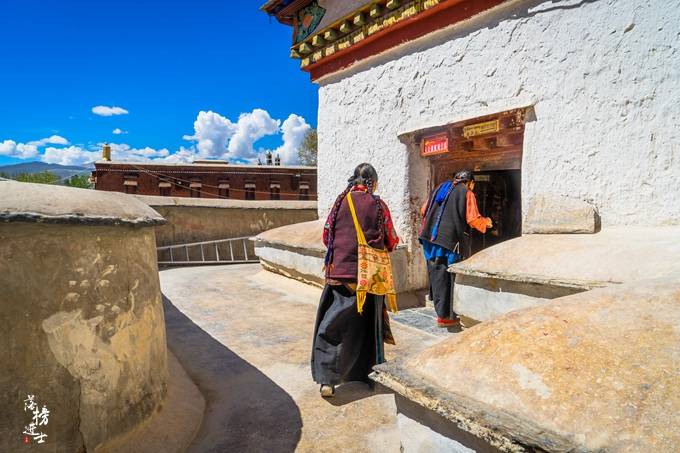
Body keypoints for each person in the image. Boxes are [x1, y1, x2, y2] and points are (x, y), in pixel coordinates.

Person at [311, 163, 400, 398]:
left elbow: (326, 235)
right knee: (368, 328)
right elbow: (391, 238)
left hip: (338, 274)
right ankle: (367, 375)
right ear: (372, 182)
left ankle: (327, 381)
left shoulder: (339, 202)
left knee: (332, 327)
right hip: (368, 279)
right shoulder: (379, 205)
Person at [419, 169, 492, 327]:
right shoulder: (466, 192)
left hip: (430, 239)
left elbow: (423, 210)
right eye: (473, 184)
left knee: (437, 274)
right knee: (449, 276)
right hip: (450, 242)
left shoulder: (439, 188)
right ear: (469, 182)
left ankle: (441, 315)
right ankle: (448, 317)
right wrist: (487, 223)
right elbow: (473, 219)